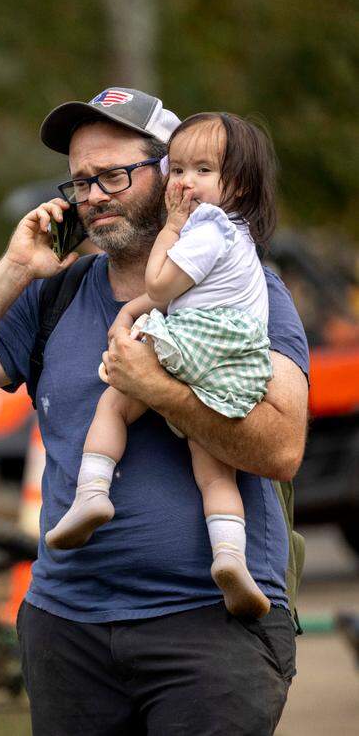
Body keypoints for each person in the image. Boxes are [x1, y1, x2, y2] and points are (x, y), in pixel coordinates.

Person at [0, 87, 307, 734]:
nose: (92, 195)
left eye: (114, 174)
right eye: (81, 180)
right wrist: (14, 269)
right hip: (67, 632)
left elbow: (282, 448)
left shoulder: (242, 285)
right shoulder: (54, 298)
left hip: (208, 632)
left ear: (173, 176)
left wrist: (160, 389)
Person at [45, 112, 279, 622]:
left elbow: (164, 284)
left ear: (236, 184)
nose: (185, 183)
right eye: (179, 171)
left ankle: (91, 494)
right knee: (215, 470)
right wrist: (132, 309)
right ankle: (230, 558)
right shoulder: (243, 240)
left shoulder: (206, 228)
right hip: (236, 367)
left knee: (115, 398)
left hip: (196, 345)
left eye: (201, 171)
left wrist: (171, 227)